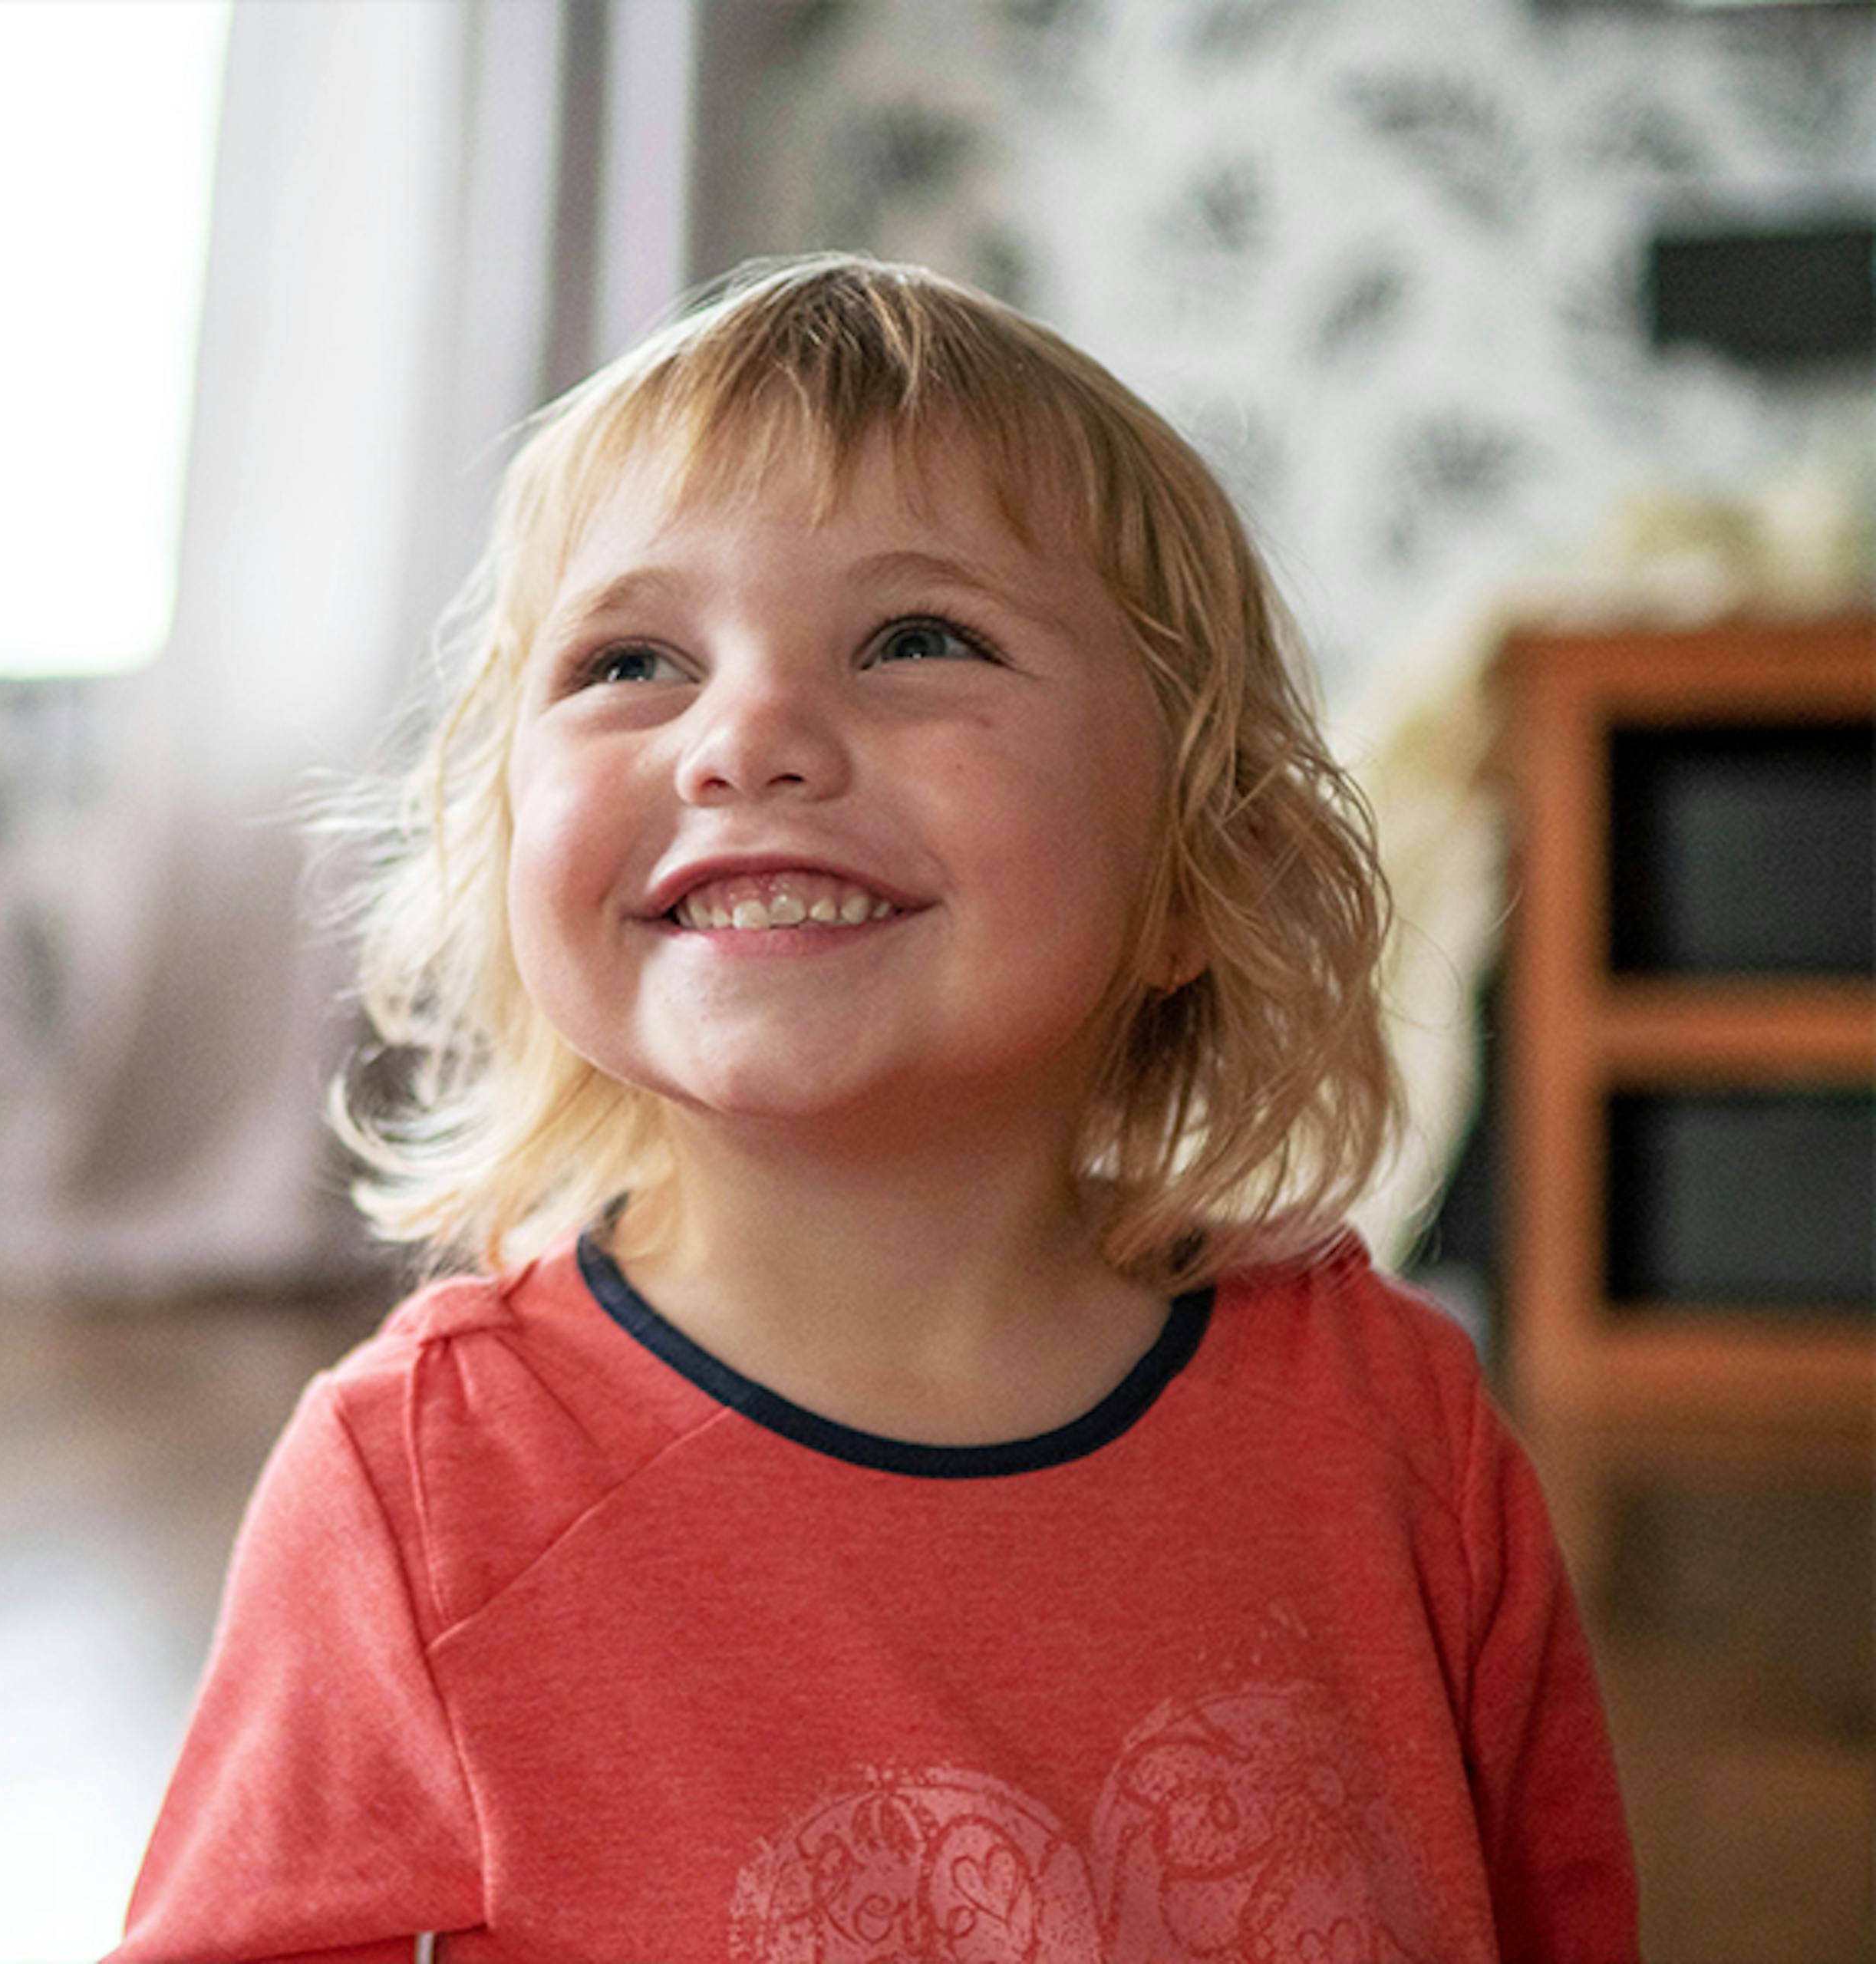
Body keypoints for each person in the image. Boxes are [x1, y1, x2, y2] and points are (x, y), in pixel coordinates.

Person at [109, 255, 1637, 1964]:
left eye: (918, 639)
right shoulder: (422, 1485)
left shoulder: (1393, 1421)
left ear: (1198, 872)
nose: (746, 734)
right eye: (631, 658)